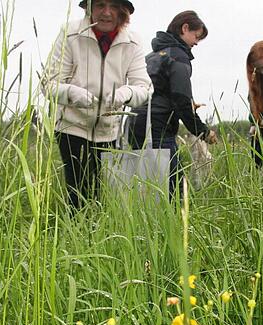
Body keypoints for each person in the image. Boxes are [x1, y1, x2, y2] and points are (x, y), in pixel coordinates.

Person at [42, 0, 151, 210]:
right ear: (89, 8)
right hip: (71, 127)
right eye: (100, 5)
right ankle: (76, 235)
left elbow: (144, 88)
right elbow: (49, 84)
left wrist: (125, 93)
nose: (106, 12)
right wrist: (73, 93)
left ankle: (98, 237)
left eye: (113, 6)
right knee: (79, 193)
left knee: (102, 195)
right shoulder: (71, 34)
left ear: (123, 10)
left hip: (109, 131)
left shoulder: (133, 42)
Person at [131, 10, 216, 198]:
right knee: (175, 193)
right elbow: (181, 100)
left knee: (145, 189)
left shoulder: (151, 56)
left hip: (134, 125)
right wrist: (203, 131)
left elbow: (161, 93)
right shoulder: (178, 57)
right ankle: (175, 225)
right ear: (185, 28)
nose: (196, 42)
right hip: (159, 130)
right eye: (196, 36)